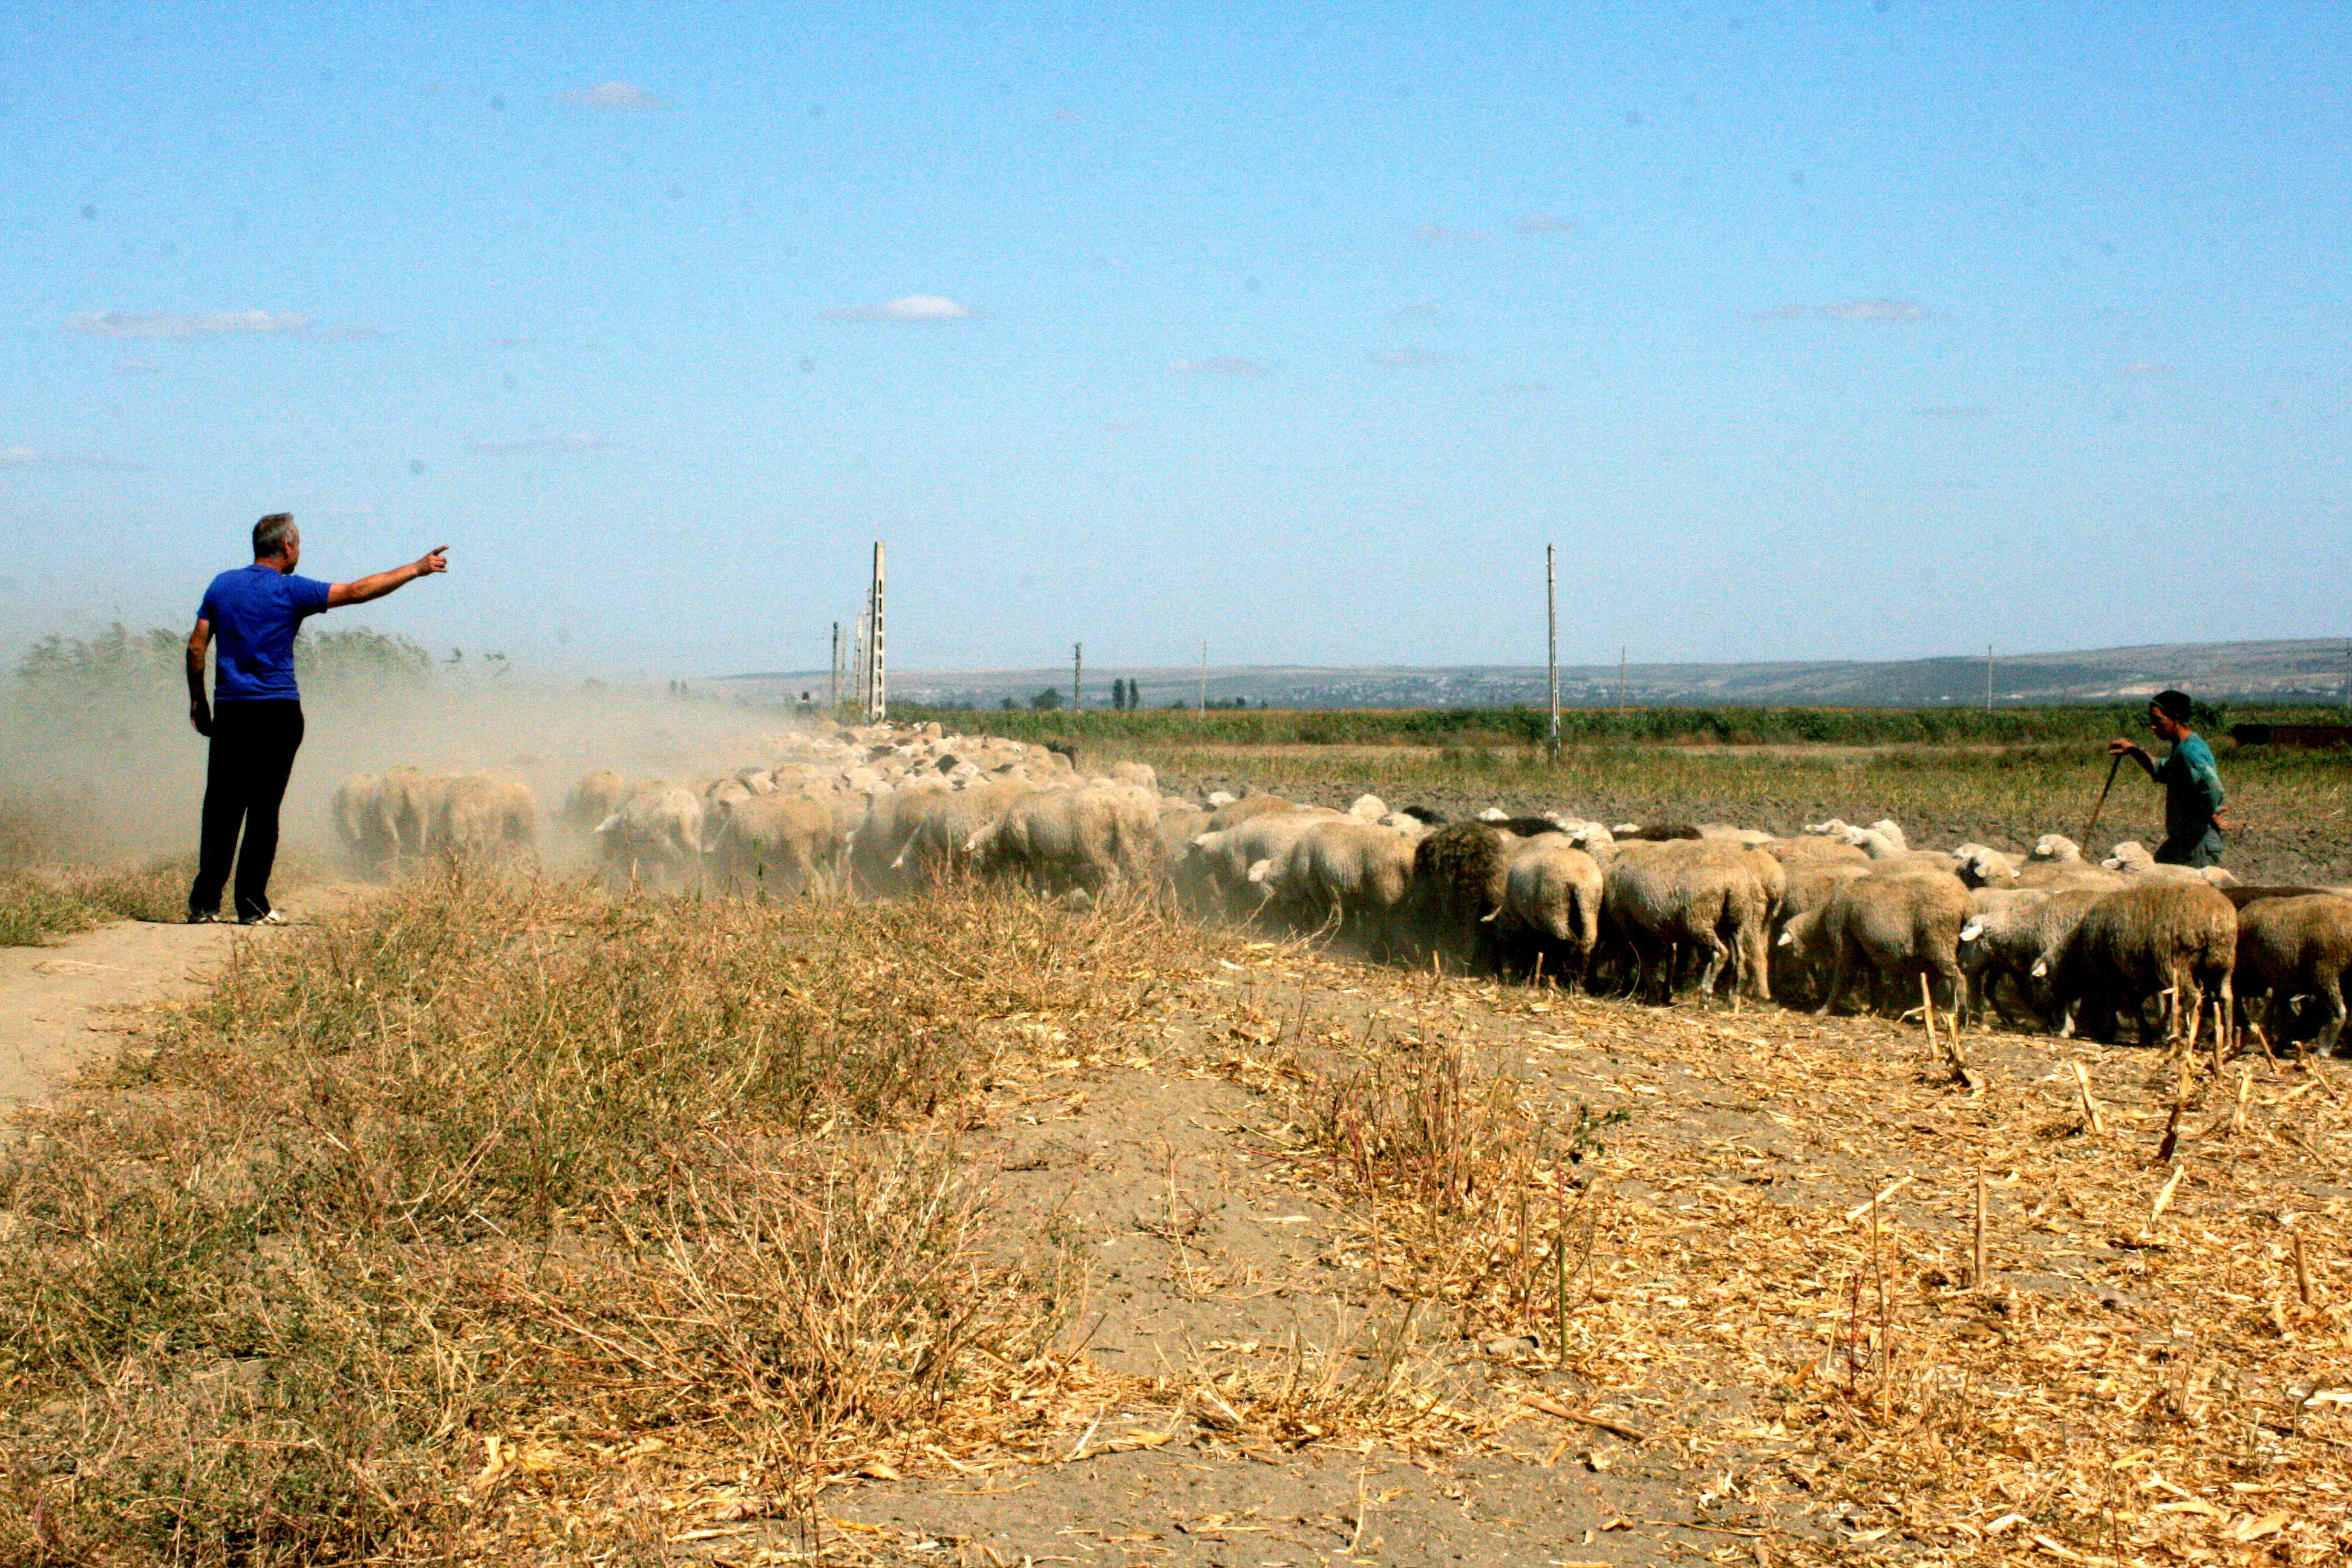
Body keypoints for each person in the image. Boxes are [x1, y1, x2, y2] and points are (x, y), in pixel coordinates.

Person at [185, 514, 448, 923]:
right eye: (299, 545)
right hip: (277, 712)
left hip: (231, 710)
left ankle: (204, 904)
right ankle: (251, 906)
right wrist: (416, 568)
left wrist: (199, 703)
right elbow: (357, 592)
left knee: (221, 806)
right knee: (263, 809)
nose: (299, 552)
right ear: (287, 547)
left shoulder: (221, 586)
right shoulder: (291, 590)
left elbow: (197, 647)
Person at [2106, 688, 2232, 869]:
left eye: (2158, 721)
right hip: (2182, 840)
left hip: (2197, 844)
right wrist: (2133, 751)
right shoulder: (2181, 748)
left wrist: (2211, 813)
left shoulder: (2191, 751)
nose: (2153, 726)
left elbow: (2212, 787)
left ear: (2176, 718)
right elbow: (2163, 770)